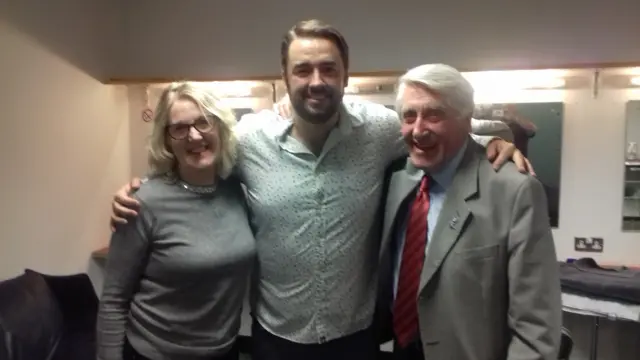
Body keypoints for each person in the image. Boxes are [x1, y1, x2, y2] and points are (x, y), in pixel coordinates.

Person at [109, 20, 535, 360]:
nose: (316, 81)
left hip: (355, 338)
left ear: (346, 74)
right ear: (285, 76)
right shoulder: (248, 138)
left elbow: (451, 129)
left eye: (328, 68)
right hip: (275, 339)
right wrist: (141, 189)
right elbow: (194, 163)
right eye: (303, 69)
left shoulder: (380, 129)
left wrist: (498, 141)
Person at [378, 64, 562, 360]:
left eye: (434, 114)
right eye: (409, 116)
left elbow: (536, 329)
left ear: (467, 120)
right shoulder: (397, 179)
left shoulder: (515, 191)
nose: (418, 129)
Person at [97, 82, 256, 360]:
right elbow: (113, 300)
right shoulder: (142, 202)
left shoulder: (237, 191)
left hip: (225, 350)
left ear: (219, 127)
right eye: (179, 128)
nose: (194, 136)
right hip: (155, 353)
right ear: (167, 139)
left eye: (203, 122)